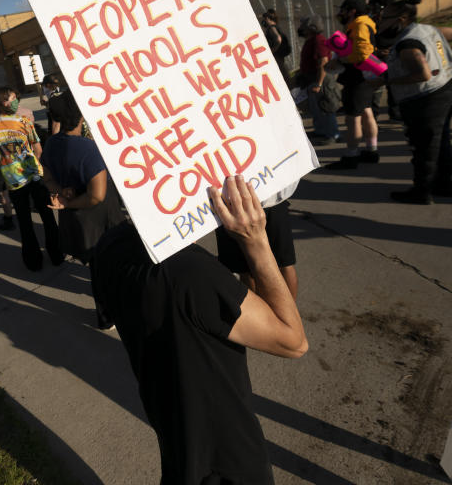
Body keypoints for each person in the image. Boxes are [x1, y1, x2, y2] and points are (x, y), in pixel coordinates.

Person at [93, 175, 308, 484]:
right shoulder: (192, 274)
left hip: (172, 422)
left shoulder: (110, 244)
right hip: (225, 454)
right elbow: (294, 342)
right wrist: (257, 242)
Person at [42, 90, 126, 328]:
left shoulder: (51, 144)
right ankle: (111, 313)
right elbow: (97, 195)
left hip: (79, 221)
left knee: (98, 268)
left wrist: (61, 190)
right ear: (80, 118)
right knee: (111, 266)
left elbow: (46, 178)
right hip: (100, 218)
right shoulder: (88, 149)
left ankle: (105, 315)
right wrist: (68, 201)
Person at [377, 0, 452, 204]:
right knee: (440, 139)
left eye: (384, 18)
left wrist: (388, 82)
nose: (379, 22)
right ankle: (443, 184)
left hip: (427, 96)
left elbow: (423, 74)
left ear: (401, 19)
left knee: (425, 144)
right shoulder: (427, 30)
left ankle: (422, 191)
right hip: (449, 86)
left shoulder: (408, 44)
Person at [0, 86, 62, 271]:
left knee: (25, 223)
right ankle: (56, 254)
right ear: (4, 102)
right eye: (13, 98)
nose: (17, 100)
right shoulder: (24, 121)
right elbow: (38, 150)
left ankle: (33, 261)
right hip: (35, 176)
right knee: (47, 217)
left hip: (13, 182)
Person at [326, 0, 382, 170]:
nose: (340, 14)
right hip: (366, 76)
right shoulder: (366, 22)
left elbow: (362, 53)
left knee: (353, 118)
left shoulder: (359, 25)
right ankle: (371, 150)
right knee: (366, 112)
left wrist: (341, 60)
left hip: (357, 78)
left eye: (343, 10)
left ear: (352, 11)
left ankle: (352, 155)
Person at [296, 15, 340, 145]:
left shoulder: (318, 40)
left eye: (304, 26)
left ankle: (332, 134)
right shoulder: (312, 40)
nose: (301, 29)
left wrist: (319, 83)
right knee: (317, 108)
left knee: (326, 107)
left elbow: (323, 62)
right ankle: (321, 131)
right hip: (313, 78)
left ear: (311, 28)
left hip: (322, 79)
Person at [369, 0, 401, 121]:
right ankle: (373, 117)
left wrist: (393, 49)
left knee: (394, 86)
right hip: (376, 57)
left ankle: (395, 113)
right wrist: (376, 51)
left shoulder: (395, 20)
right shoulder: (371, 20)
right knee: (376, 88)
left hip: (391, 56)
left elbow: (400, 36)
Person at [260, 9, 292, 84]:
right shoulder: (277, 27)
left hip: (276, 56)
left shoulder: (271, 27)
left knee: (281, 77)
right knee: (283, 75)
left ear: (267, 19)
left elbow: (278, 39)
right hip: (280, 56)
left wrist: (272, 51)